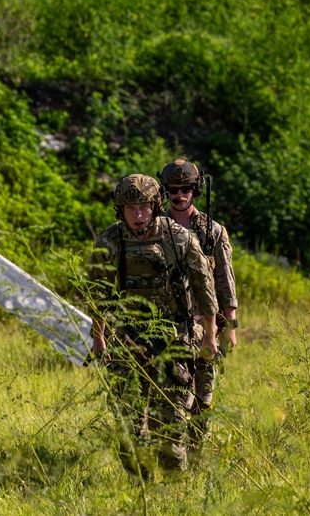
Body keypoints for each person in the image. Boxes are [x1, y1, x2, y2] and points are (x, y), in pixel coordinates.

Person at [88, 173, 219, 476]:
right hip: (129, 337)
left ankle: (174, 492)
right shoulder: (110, 240)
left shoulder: (179, 237)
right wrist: (100, 338)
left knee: (170, 425)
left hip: (173, 339)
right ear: (120, 210)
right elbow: (96, 294)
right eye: (131, 208)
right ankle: (141, 488)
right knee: (128, 423)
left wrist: (210, 335)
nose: (138, 214)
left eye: (144, 207)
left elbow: (204, 287)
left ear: (155, 205)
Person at [159, 158, 238, 441]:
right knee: (173, 397)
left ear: (196, 190)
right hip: (169, 326)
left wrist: (229, 326)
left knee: (203, 399)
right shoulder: (155, 228)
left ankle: (197, 454)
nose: (179, 196)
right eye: (172, 190)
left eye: (186, 189)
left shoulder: (212, 230)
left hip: (207, 326)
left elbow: (225, 281)